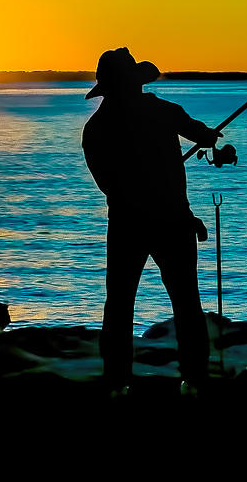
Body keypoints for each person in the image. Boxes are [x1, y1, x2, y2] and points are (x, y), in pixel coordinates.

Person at [81, 47, 223, 394]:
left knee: (119, 303)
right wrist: (207, 138)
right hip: (173, 221)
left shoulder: (96, 128)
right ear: (135, 82)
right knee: (187, 302)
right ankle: (195, 379)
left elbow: (107, 185)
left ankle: (117, 382)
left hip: (126, 224)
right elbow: (205, 135)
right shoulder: (162, 111)